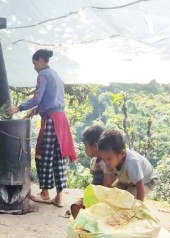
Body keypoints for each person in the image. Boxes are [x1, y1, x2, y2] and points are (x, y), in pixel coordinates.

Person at [7, 49, 76, 207]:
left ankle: (45, 193)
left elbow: (37, 97)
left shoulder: (43, 75)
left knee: (43, 155)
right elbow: (52, 99)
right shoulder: (56, 75)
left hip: (51, 120)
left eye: (34, 63)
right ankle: (58, 196)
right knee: (58, 157)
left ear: (40, 60)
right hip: (61, 120)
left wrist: (19, 108)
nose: (34, 67)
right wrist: (38, 110)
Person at [98, 129, 158, 202]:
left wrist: (138, 206)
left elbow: (140, 187)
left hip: (147, 181)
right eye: (103, 159)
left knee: (127, 201)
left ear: (122, 154)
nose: (106, 163)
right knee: (114, 197)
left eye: (108, 159)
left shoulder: (132, 162)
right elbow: (107, 185)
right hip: (128, 180)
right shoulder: (108, 159)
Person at [70, 125, 105, 218]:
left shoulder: (107, 163)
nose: (85, 149)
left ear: (95, 146)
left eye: (86, 146)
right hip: (93, 196)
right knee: (75, 207)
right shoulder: (94, 161)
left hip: (104, 198)